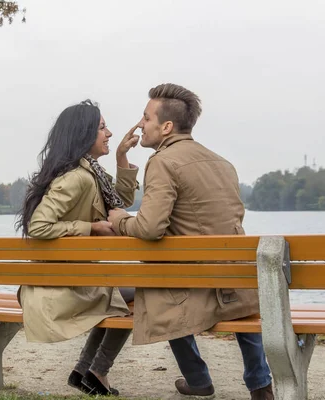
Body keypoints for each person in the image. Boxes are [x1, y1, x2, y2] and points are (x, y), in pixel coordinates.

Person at [107, 84, 274, 400]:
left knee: (155, 288)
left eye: (146, 117)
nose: (140, 124)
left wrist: (118, 219)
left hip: (191, 287)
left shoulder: (162, 161)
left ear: (166, 126)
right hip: (237, 283)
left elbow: (151, 227)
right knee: (237, 292)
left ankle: (198, 379)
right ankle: (260, 383)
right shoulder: (223, 163)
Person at [15, 99, 139, 396]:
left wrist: (121, 157)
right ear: (83, 134)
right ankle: (96, 371)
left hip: (64, 283)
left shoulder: (89, 171)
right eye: (102, 127)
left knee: (127, 293)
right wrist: (90, 228)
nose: (109, 133)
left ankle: (85, 370)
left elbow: (120, 203)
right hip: (58, 292)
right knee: (147, 291)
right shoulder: (76, 178)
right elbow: (39, 227)